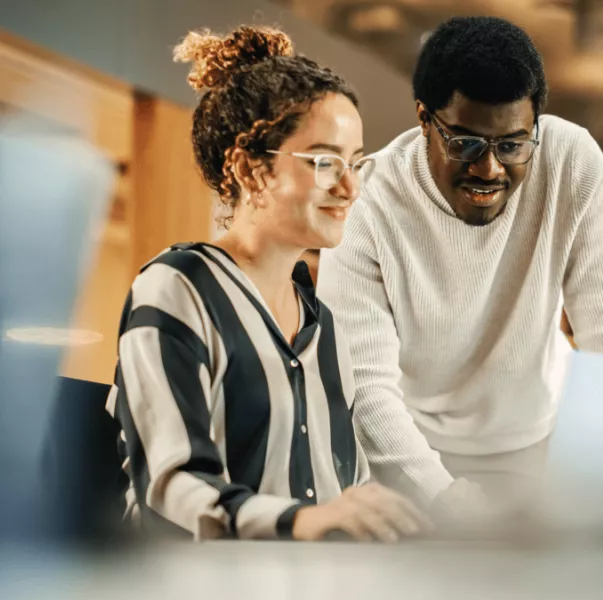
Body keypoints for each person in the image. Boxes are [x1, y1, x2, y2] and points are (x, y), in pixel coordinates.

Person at [105, 25, 430, 542]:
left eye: (356, 163)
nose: (349, 187)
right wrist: (300, 522)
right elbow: (170, 486)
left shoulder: (327, 330)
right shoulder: (178, 288)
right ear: (250, 170)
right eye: (325, 162)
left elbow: (348, 492)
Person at [317, 16, 603, 507]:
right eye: (465, 143)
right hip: (413, 456)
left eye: (512, 145)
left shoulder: (570, 161)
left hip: (543, 443)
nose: (489, 169)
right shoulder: (368, 204)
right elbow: (364, 387)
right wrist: (446, 501)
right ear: (423, 118)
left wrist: (602, 488)